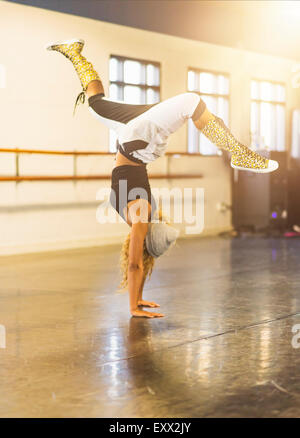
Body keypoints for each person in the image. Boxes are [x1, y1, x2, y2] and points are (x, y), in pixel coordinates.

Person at [46, 38, 279, 318]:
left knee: (190, 101)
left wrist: (133, 308)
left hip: (139, 139)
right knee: (95, 104)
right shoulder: (138, 216)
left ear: (151, 232)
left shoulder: (141, 216)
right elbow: (141, 260)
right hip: (130, 139)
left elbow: (134, 264)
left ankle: (238, 153)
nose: (165, 221)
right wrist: (140, 297)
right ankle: (75, 55)